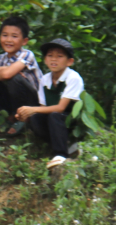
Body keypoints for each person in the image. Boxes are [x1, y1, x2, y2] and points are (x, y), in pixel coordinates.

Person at [15, 37, 83, 169]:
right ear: (45, 60)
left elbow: (61, 108)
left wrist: (31, 109)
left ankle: (61, 154)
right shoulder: (45, 79)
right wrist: (27, 115)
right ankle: (63, 144)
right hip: (55, 119)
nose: (53, 59)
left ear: (69, 61)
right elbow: (43, 108)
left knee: (54, 116)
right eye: (50, 56)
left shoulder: (73, 77)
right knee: (36, 119)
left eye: (59, 56)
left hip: (70, 119)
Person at [0, 15, 42, 137]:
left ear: (24, 41)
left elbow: (7, 75)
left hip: (34, 101)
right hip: (16, 100)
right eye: (5, 35)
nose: (8, 40)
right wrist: (5, 68)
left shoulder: (27, 55)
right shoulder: (3, 58)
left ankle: (23, 118)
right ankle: (9, 116)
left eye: (14, 36)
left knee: (14, 78)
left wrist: (1, 72)